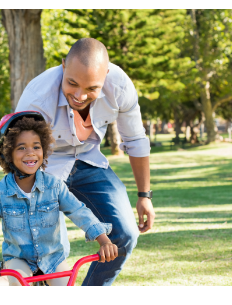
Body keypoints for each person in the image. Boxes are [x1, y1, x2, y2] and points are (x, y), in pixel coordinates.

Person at [14, 38, 155, 286]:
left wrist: (144, 195)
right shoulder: (37, 98)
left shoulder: (119, 86)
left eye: (91, 88)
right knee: (47, 251)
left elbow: (135, 140)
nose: (80, 95)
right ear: (63, 67)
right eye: (72, 83)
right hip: (45, 167)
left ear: (106, 75)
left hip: (90, 160)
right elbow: (21, 155)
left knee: (125, 234)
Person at [0, 111, 118, 286]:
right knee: (19, 282)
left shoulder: (54, 186)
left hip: (52, 257)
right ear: (7, 153)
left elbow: (78, 211)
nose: (30, 153)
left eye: (36, 147)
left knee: (65, 283)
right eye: (21, 148)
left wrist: (103, 240)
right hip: (18, 259)